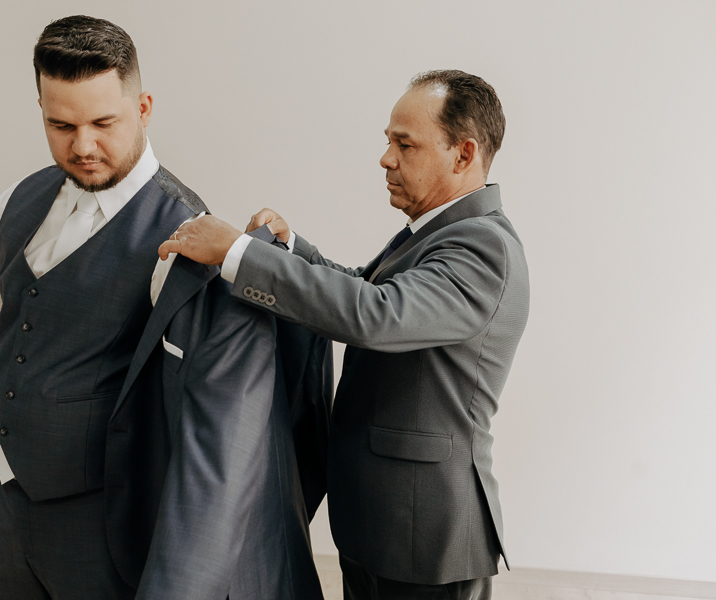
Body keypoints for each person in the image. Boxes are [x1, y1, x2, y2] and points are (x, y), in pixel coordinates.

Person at [0, 15, 328, 600]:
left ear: (144, 107)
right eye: (60, 124)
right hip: (3, 496)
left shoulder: (184, 233)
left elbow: (212, 417)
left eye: (104, 122)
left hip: (103, 519)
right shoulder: (18, 200)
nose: (83, 146)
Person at [159, 69, 530, 600]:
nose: (386, 159)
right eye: (388, 142)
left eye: (405, 144)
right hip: (384, 522)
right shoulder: (436, 232)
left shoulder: (482, 248)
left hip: (426, 536)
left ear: (463, 154)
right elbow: (364, 286)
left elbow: (377, 314)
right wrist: (292, 251)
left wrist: (238, 255)